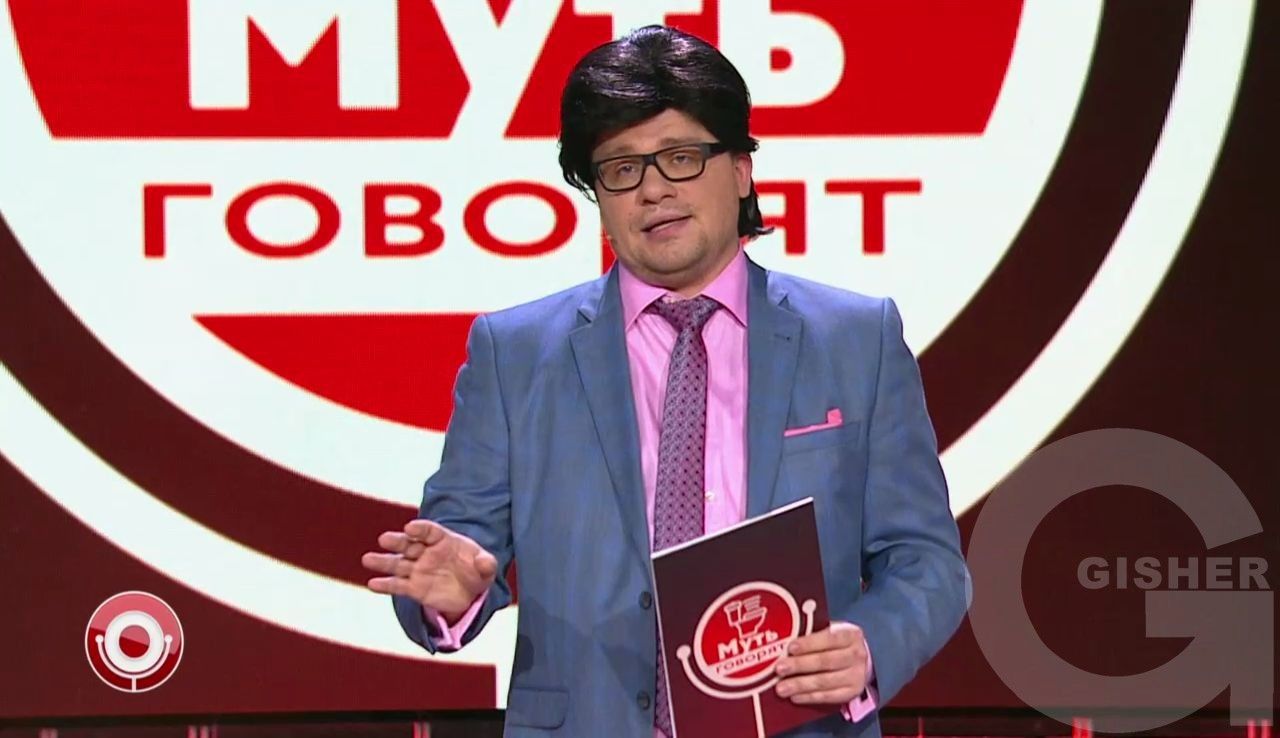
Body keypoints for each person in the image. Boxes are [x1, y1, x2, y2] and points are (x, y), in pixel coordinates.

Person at [362, 25, 970, 738]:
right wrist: (449, 596)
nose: (653, 189)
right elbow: (457, 549)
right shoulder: (515, 354)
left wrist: (868, 647)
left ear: (740, 169)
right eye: (620, 168)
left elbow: (927, 562)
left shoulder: (856, 340)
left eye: (681, 158)